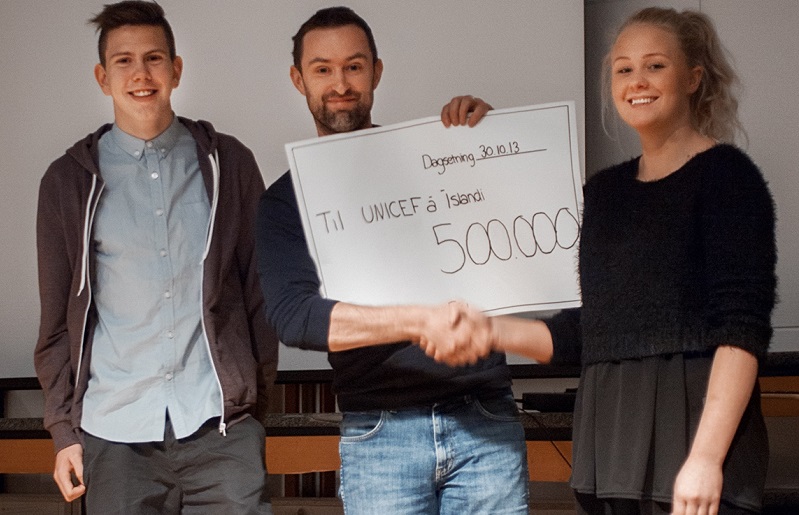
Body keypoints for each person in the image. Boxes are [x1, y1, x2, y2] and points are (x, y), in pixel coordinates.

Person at [457, 7, 776, 515]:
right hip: (609, 441)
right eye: (623, 69)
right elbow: (590, 330)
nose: (637, 81)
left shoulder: (727, 177)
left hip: (693, 433)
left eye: (655, 65)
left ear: (693, 77)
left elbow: (742, 330)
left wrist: (705, 458)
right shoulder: (604, 193)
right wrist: (489, 330)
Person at [255, 6, 528, 515]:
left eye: (354, 66)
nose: (341, 83)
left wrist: (496, 147)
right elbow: (295, 317)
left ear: (376, 72)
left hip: (484, 417)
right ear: (298, 79)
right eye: (323, 69)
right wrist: (420, 319)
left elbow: (526, 233)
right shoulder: (284, 202)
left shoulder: (444, 159)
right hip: (379, 432)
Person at [34, 2, 278, 513]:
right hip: (114, 434)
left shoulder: (228, 163)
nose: (140, 74)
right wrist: (62, 432)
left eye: (153, 58)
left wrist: (250, 406)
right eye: (123, 61)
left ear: (176, 69)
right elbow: (56, 322)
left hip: (220, 427)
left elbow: (259, 292)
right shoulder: (67, 181)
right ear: (103, 77)